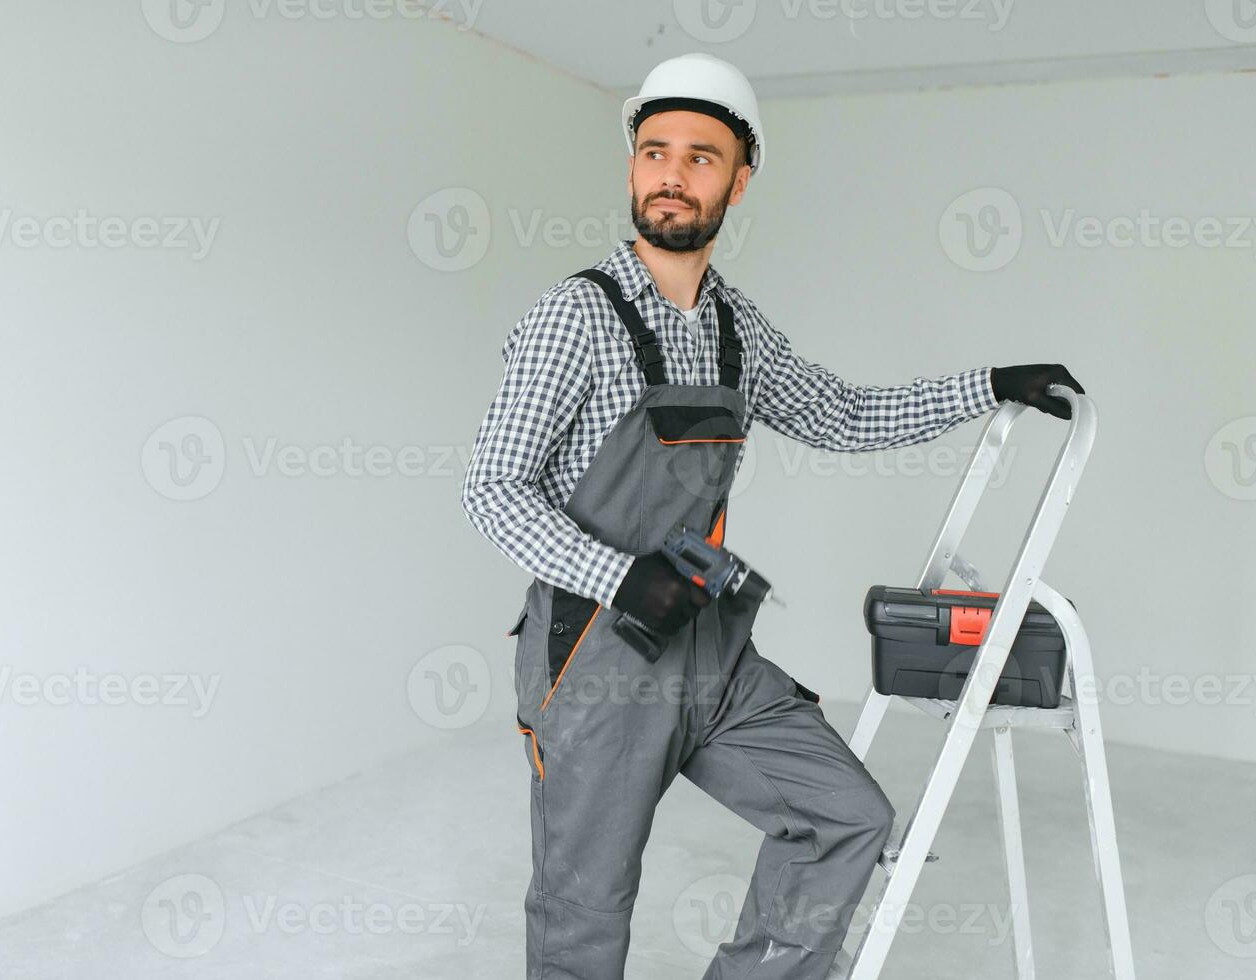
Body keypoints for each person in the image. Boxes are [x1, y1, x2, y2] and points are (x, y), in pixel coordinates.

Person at [459, 51, 1084, 980]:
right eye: (653, 151)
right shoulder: (573, 318)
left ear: (738, 180)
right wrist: (619, 576)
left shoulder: (734, 327)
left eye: (700, 157)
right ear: (632, 165)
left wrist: (986, 386)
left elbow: (840, 413)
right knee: (583, 911)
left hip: (708, 655)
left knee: (846, 818)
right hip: (594, 664)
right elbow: (490, 489)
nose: (670, 174)